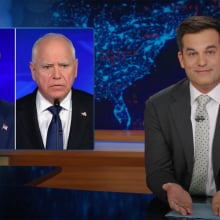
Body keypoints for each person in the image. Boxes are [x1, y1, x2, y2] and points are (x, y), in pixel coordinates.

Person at [144, 16, 220, 216]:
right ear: (182, 59)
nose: (201, 62)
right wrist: (170, 186)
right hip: (181, 210)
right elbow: (157, 170)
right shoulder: (157, 105)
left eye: (210, 52)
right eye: (192, 53)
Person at [16, 33, 94, 150]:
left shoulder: (96, 109)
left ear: (75, 68)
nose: (57, 76)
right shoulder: (12, 114)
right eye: (47, 67)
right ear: (33, 71)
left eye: (64, 66)